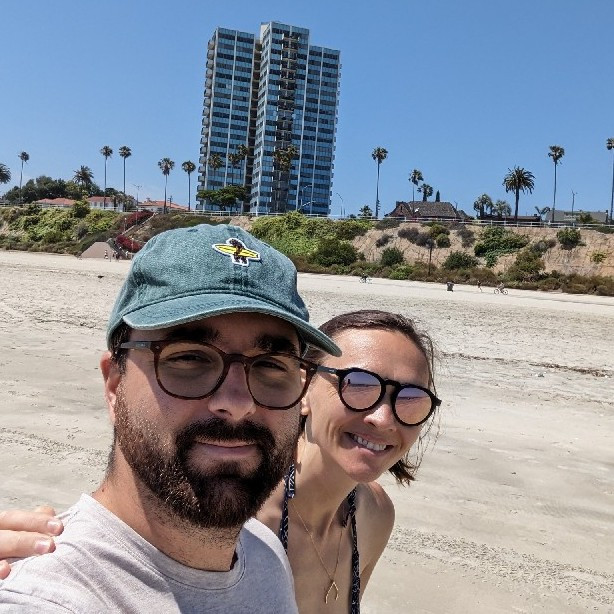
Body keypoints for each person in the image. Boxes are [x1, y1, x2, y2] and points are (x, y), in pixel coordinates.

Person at [0, 310, 441, 613]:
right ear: (304, 391)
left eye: (411, 397)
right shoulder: (236, 513)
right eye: (357, 385)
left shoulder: (368, 516)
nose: (383, 417)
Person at [0, 223, 341, 612]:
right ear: (114, 384)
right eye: (189, 358)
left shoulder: (264, 553)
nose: (237, 402)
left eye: (271, 365)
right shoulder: (45, 597)